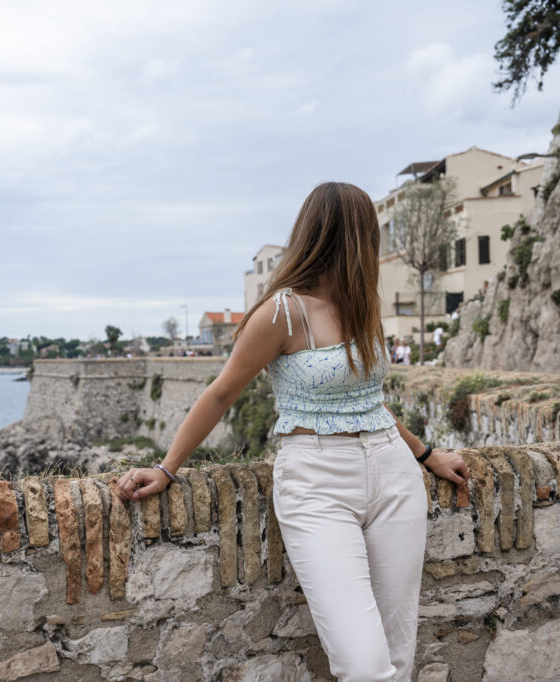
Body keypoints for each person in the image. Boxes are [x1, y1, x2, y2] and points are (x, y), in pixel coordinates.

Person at [116, 182, 470, 681]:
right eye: (369, 235)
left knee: (398, 651)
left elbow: (367, 402)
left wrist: (426, 452)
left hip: (392, 473)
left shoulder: (362, 304)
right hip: (317, 481)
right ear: (348, 237)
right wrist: (167, 468)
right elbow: (221, 393)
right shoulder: (282, 311)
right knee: (366, 666)